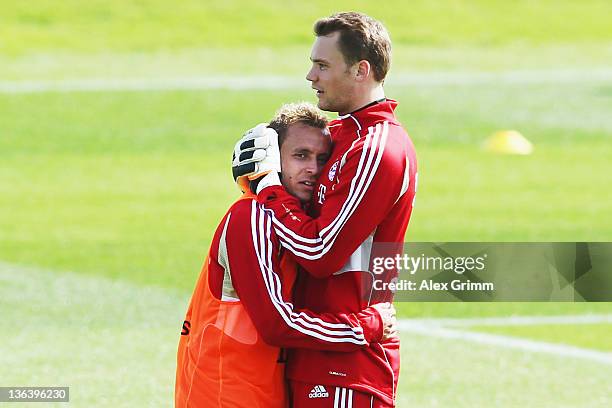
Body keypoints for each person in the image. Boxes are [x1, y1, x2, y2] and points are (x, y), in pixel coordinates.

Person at [232, 12, 418, 407]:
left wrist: (267, 188)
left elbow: (320, 253)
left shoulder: (377, 148)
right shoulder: (338, 137)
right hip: (315, 356)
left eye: (322, 65)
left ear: (360, 71)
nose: (310, 76)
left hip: (349, 367)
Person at [176, 102, 397, 408]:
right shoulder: (250, 216)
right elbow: (277, 323)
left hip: (259, 394)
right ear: (274, 159)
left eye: (322, 159)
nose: (313, 168)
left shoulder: (290, 224)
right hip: (224, 396)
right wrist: (364, 327)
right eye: (300, 155)